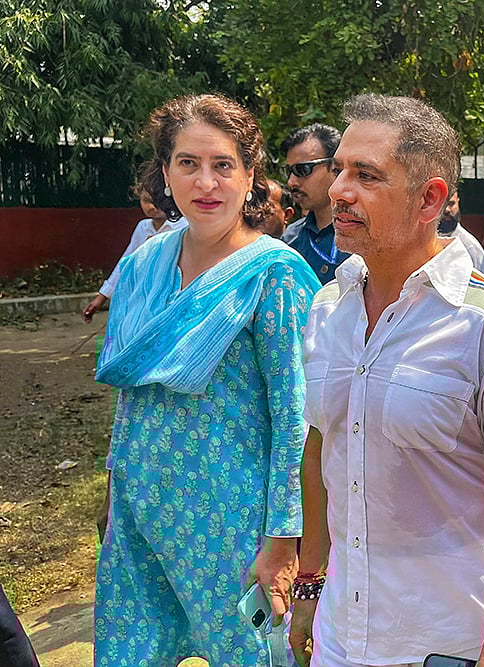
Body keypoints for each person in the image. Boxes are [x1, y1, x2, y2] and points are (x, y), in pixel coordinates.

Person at [289, 94, 484, 667]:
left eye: (366, 176)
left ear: (430, 199)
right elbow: (322, 448)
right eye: (339, 169)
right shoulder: (327, 309)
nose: (339, 189)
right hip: (342, 636)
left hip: (448, 644)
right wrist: (310, 585)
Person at [93, 94, 320, 666]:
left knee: (253, 657)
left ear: (250, 176)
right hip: (142, 511)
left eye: (223, 165)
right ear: (164, 174)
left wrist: (284, 539)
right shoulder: (145, 266)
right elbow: (132, 398)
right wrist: (116, 491)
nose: (206, 183)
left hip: (233, 524)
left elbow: (298, 417)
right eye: (188, 164)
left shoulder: (275, 276)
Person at [81, 186, 188, 321]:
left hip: (174, 298)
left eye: (158, 201)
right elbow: (126, 263)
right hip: (144, 296)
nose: (152, 207)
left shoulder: (183, 227)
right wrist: (101, 298)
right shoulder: (143, 228)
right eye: (146, 201)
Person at [281, 123, 346, 283]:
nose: (292, 182)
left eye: (302, 170)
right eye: (289, 172)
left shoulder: (368, 232)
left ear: (335, 167)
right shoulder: (291, 240)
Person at [438, 190, 484, 272]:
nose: (447, 210)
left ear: (458, 202)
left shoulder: (472, 249)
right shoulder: (421, 241)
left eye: (451, 204)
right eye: (442, 204)